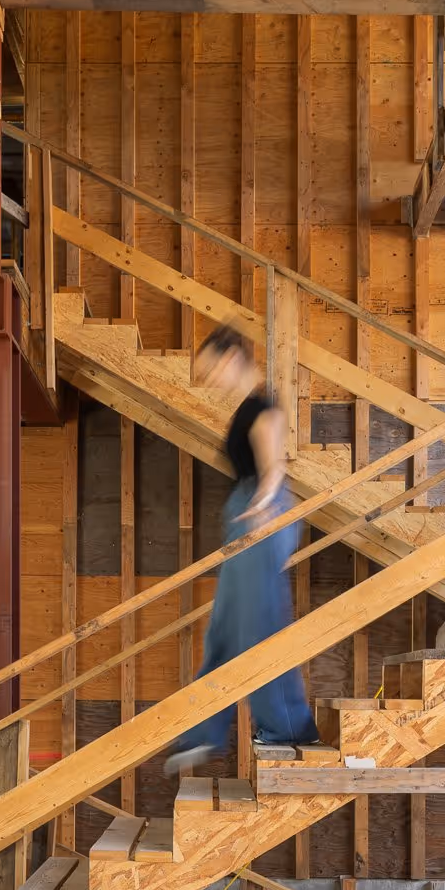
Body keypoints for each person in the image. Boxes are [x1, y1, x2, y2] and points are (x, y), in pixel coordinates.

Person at [165, 325, 320, 775]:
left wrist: (264, 499)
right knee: (224, 630)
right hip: (250, 510)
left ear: (231, 357)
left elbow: (274, 459)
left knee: (259, 627)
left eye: (210, 369)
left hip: (260, 511)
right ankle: (204, 732)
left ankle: (290, 726)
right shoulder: (248, 405)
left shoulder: (262, 404)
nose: (211, 379)